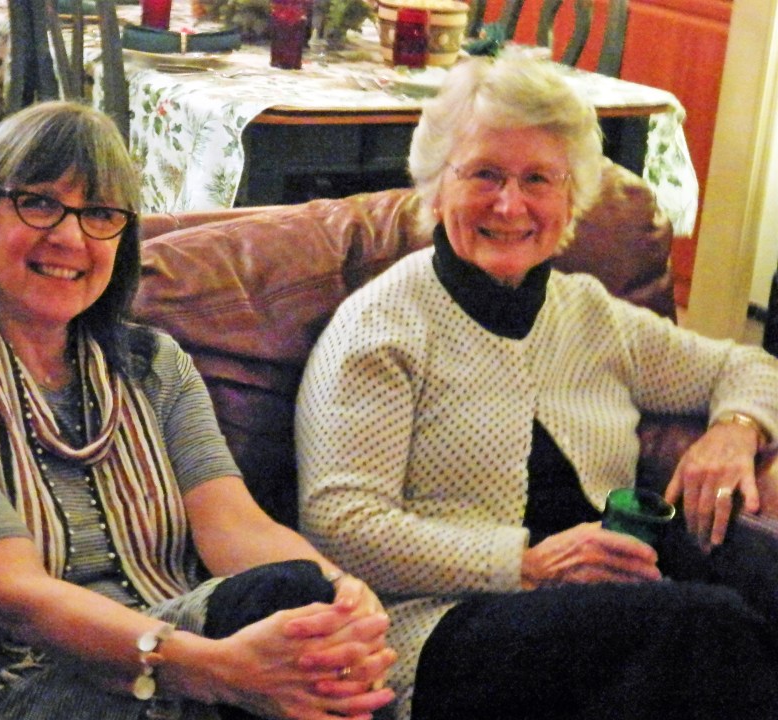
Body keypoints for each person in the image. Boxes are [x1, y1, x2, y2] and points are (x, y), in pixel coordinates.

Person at [0, 101, 396, 720]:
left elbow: (234, 528)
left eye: (99, 214)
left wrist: (343, 596)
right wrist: (218, 671)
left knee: (311, 615)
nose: (69, 237)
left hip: (177, 648)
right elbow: (16, 595)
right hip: (9, 690)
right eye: (39, 202)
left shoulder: (155, 364)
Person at [295, 49, 778, 720]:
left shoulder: (591, 314)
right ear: (436, 186)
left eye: (538, 179)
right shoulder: (382, 328)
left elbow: (747, 365)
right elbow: (341, 526)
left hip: (615, 608)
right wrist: (524, 562)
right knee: (701, 627)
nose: (510, 204)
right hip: (445, 628)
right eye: (485, 174)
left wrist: (737, 429)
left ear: (571, 197)